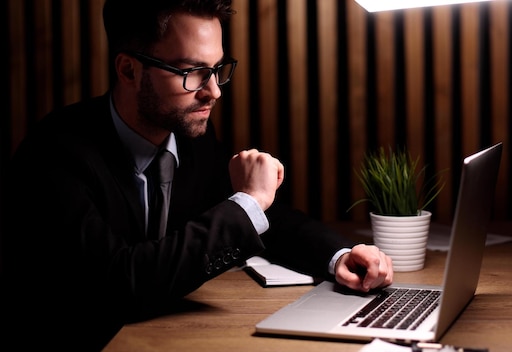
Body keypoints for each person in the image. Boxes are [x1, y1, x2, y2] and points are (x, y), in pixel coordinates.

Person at [0, 0, 393, 350]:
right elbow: (122, 284)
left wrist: (339, 254)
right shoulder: (55, 152)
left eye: (218, 69)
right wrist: (248, 201)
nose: (213, 92)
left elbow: (259, 220)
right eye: (191, 72)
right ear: (128, 69)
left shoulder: (192, 137)